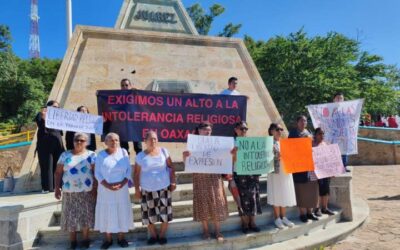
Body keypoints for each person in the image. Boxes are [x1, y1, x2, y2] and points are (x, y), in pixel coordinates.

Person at [183, 122, 229, 242]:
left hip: (214, 177)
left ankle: (218, 231)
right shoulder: (193, 145)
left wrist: (231, 155)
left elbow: (225, 160)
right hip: (200, 178)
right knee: (202, 202)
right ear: (198, 131)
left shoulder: (217, 144)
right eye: (204, 130)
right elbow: (187, 163)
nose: (207, 132)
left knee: (217, 202)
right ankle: (205, 230)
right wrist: (185, 156)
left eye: (209, 130)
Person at [54, 133, 97, 249]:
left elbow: (95, 173)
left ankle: (86, 239)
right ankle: (73, 241)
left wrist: (95, 188)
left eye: (82, 140)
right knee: (70, 216)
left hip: (86, 191)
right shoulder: (65, 155)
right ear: (73, 141)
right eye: (77, 140)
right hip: (69, 191)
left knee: (86, 215)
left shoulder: (92, 155)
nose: (79, 142)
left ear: (86, 142)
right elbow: (58, 172)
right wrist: (56, 188)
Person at [134, 130, 176, 245]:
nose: (153, 141)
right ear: (145, 141)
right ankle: (153, 235)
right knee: (148, 214)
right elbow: (136, 174)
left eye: (155, 139)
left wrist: (173, 182)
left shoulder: (164, 151)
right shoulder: (140, 156)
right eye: (150, 139)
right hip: (147, 190)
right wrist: (137, 189)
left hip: (164, 188)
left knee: (165, 213)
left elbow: (171, 167)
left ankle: (162, 235)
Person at [94, 133, 133, 249]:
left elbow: (128, 170)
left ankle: (121, 238)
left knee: (121, 210)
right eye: (111, 140)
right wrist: (108, 186)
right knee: (107, 211)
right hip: (106, 190)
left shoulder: (124, 152)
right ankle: (108, 239)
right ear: (105, 142)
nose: (114, 142)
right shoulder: (100, 155)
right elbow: (97, 173)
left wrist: (122, 183)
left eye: (116, 140)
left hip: (122, 189)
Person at [232, 121, 261, 233]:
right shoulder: (232, 143)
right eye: (241, 128)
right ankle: (244, 223)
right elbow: (229, 161)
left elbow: (257, 158)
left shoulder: (252, 142)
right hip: (238, 173)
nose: (244, 131)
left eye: (245, 129)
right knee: (242, 199)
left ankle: (252, 222)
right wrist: (234, 154)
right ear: (236, 130)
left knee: (253, 198)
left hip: (252, 174)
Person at [289, 115, 319, 223]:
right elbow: (290, 148)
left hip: (309, 166)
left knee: (310, 189)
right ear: (297, 122)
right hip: (298, 166)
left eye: (305, 121)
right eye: (301, 120)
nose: (303, 122)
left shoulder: (309, 132)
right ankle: (302, 214)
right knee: (301, 189)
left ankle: (309, 212)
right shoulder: (293, 133)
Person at [267, 123, 296, 229]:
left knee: (284, 192)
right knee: (276, 192)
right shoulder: (268, 143)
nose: (279, 131)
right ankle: (277, 218)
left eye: (281, 129)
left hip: (286, 170)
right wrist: (275, 157)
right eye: (277, 129)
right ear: (271, 131)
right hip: (275, 172)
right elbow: (265, 158)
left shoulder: (285, 143)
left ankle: (284, 217)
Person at [35, 100, 65, 193]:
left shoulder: (58, 117)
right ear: (49, 107)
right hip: (45, 145)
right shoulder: (41, 114)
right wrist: (44, 116)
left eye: (58, 107)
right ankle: (47, 187)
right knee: (47, 165)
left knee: (59, 165)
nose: (57, 109)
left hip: (57, 143)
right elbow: (40, 125)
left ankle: (59, 186)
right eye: (54, 107)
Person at [312, 128, 335, 217]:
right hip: (315, 172)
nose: (321, 136)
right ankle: (317, 209)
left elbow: (329, 158)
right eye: (319, 134)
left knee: (325, 190)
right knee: (317, 190)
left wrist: (333, 171)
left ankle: (324, 208)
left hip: (325, 172)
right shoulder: (312, 145)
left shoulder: (325, 144)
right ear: (315, 135)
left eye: (323, 134)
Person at [119, 78, 143, 155]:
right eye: (122, 85)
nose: (124, 87)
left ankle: (139, 164)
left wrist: (135, 91)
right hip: (123, 124)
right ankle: (125, 164)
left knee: (138, 147)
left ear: (130, 85)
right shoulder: (117, 96)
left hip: (134, 123)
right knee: (124, 147)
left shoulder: (135, 94)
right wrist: (99, 94)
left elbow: (144, 99)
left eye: (126, 85)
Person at [333, 92, 351, 173]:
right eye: (338, 98)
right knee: (334, 151)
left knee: (344, 151)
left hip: (344, 134)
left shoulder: (346, 110)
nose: (339, 100)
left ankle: (344, 166)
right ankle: (335, 167)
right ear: (334, 99)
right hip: (334, 135)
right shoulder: (330, 109)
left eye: (341, 98)